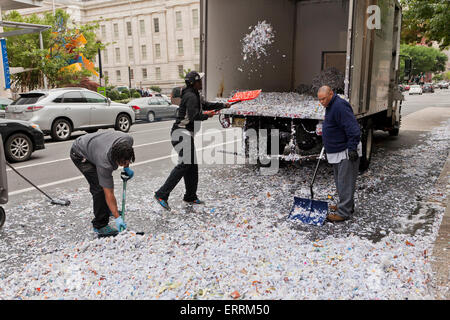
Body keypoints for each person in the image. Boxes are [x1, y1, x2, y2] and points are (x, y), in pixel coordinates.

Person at [154, 71, 230, 210]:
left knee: (192, 166)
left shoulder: (194, 94)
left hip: (185, 134)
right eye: (199, 81)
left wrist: (222, 105)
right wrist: (208, 115)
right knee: (184, 164)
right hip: (181, 133)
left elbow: (205, 105)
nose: (201, 83)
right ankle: (161, 194)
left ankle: (190, 196)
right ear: (193, 83)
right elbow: (195, 115)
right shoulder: (190, 96)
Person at [70, 131, 135, 236]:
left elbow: (126, 155)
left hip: (94, 146)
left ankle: (108, 209)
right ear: (115, 159)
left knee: (103, 188)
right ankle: (100, 225)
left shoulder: (128, 140)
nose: (124, 164)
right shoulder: (104, 164)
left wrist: (126, 168)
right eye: (122, 163)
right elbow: (109, 193)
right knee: (99, 189)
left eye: (127, 162)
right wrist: (118, 218)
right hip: (80, 153)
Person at [318, 86, 362, 222]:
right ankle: (347, 206)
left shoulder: (340, 106)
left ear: (331, 93)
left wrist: (352, 148)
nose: (322, 102)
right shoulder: (331, 105)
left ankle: (343, 213)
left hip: (346, 151)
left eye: (323, 99)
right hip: (337, 151)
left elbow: (353, 128)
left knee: (345, 182)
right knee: (340, 182)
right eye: (319, 100)